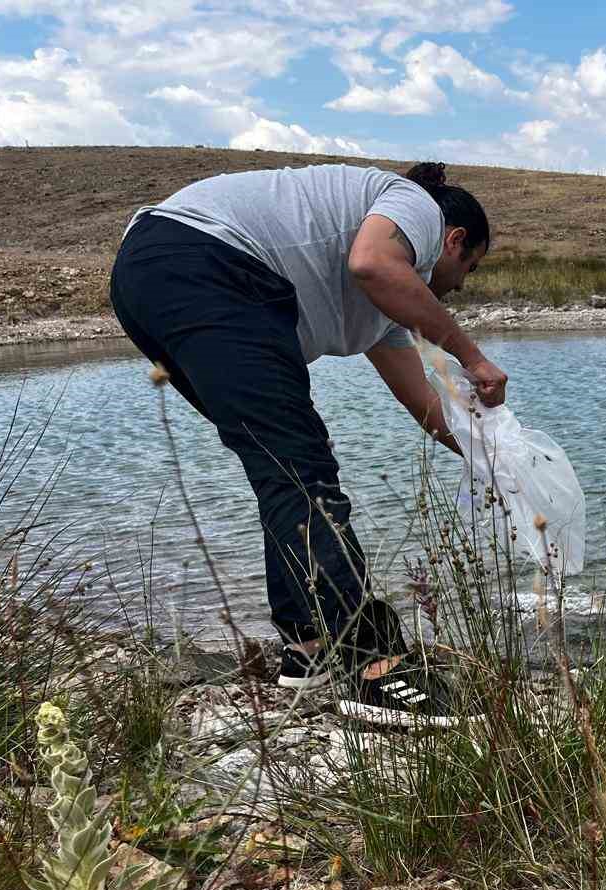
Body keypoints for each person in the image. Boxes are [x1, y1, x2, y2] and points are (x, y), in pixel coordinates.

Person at [110, 161, 503, 729]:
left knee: (281, 465)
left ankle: (308, 649)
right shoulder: (416, 204)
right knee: (300, 470)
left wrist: (495, 456)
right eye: (470, 266)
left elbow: (428, 409)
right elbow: (373, 263)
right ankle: (373, 666)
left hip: (151, 277)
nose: (463, 284)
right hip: (202, 262)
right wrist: (473, 357)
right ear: (453, 239)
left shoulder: (381, 313)